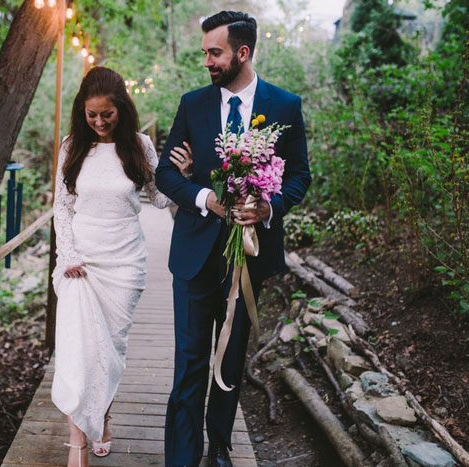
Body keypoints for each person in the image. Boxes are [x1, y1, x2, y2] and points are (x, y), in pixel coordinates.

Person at [155, 11, 312, 467]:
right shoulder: (192, 104)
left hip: (248, 259)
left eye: (214, 52)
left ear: (242, 52)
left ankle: (219, 446)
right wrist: (206, 197)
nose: (206, 60)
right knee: (189, 363)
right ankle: (180, 458)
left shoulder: (284, 105)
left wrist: (269, 206)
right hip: (192, 257)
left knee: (229, 359)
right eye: (205, 52)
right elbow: (167, 172)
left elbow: (299, 175)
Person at [51, 66, 177, 467]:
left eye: (107, 114)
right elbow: (62, 206)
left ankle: (101, 414)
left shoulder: (139, 146)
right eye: (92, 115)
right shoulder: (72, 146)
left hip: (125, 262)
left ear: (121, 108)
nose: (100, 122)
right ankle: (78, 446)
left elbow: (160, 197)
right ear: (81, 112)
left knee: (109, 352)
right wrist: (67, 253)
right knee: (77, 351)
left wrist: (186, 175)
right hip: (81, 263)